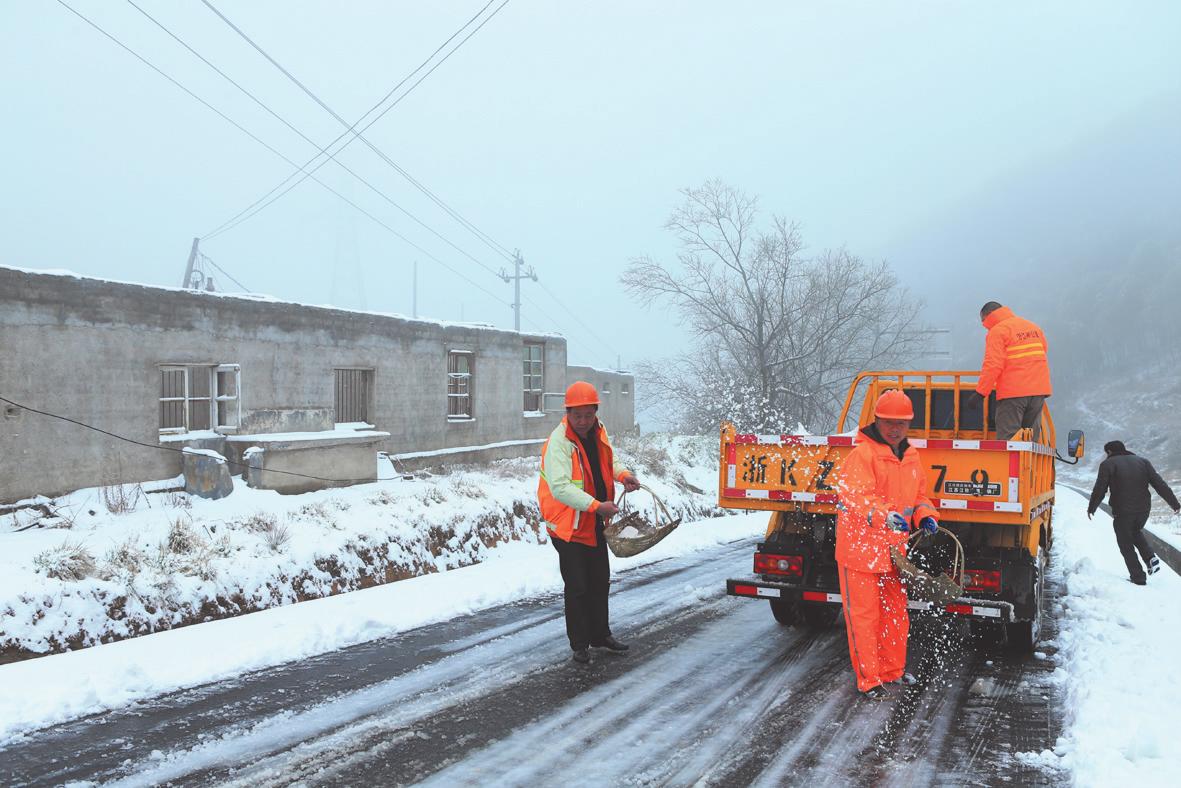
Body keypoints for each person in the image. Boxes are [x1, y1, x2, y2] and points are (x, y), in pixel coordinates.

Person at [836, 389, 940, 699]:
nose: (895, 429)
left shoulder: (910, 457)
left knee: (896, 613)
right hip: (860, 552)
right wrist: (884, 516)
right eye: (889, 422)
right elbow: (854, 498)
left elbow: (919, 496)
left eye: (902, 423)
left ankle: (892, 671)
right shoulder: (862, 455)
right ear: (877, 421)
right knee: (864, 618)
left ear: (910, 424)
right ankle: (869, 680)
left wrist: (926, 516)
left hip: (895, 552)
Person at [538, 380, 641, 664]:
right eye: (577, 415)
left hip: (595, 522)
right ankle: (579, 644)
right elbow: (559, 488)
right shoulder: (558, 443)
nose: (583, 421)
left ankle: (600, 635)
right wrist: (597, 506)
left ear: (595, 412)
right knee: (578, 586)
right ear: (567, 413)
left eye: (588, 414)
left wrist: (623, 475)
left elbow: (611, 461)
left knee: (599, 581)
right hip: (568, 526)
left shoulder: (599, 430)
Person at [1087, 440, 1180, 585]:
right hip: (1144, 510)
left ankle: (1138, 577)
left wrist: (1091, 508)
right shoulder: (1143, 462)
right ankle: (1150, 557)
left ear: (1109, 452)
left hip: (1123, 511)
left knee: (1125, 543)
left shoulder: (1107, 464)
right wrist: (1175, 504)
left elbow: (1100, 489)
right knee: (1135, 531)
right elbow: (1159, 484)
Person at [971, 301, 1052, 441]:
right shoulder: (1033, 327)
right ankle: (1029, 464)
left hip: (1013, 393)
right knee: (1030, 442)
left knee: (1009, 442)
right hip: (1038, 392)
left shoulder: (998, 331)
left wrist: (980, 393)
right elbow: (1042, 351)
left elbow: (993, 365)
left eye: (983, 322)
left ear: (987, 317)